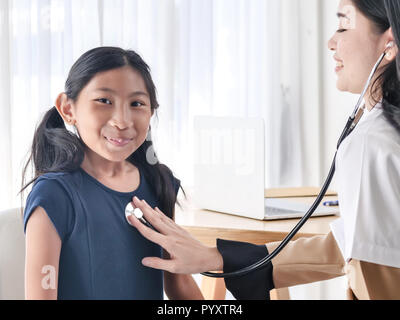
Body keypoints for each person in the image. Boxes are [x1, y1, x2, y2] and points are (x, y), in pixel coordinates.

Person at [126, 0, 400, 300]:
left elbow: (378, 273)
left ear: (389, 44)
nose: (331, 41)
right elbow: (357, 243)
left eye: (344, 24)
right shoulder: (382, 133)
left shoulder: (372, 143)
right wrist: (222, 259)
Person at [19, 47, 204, 300]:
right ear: (67, 108)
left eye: (136, 103)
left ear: (151, 112)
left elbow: (179, 284)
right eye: (104, 101)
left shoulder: (159, 182)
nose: (122, 121)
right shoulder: (53, 195)